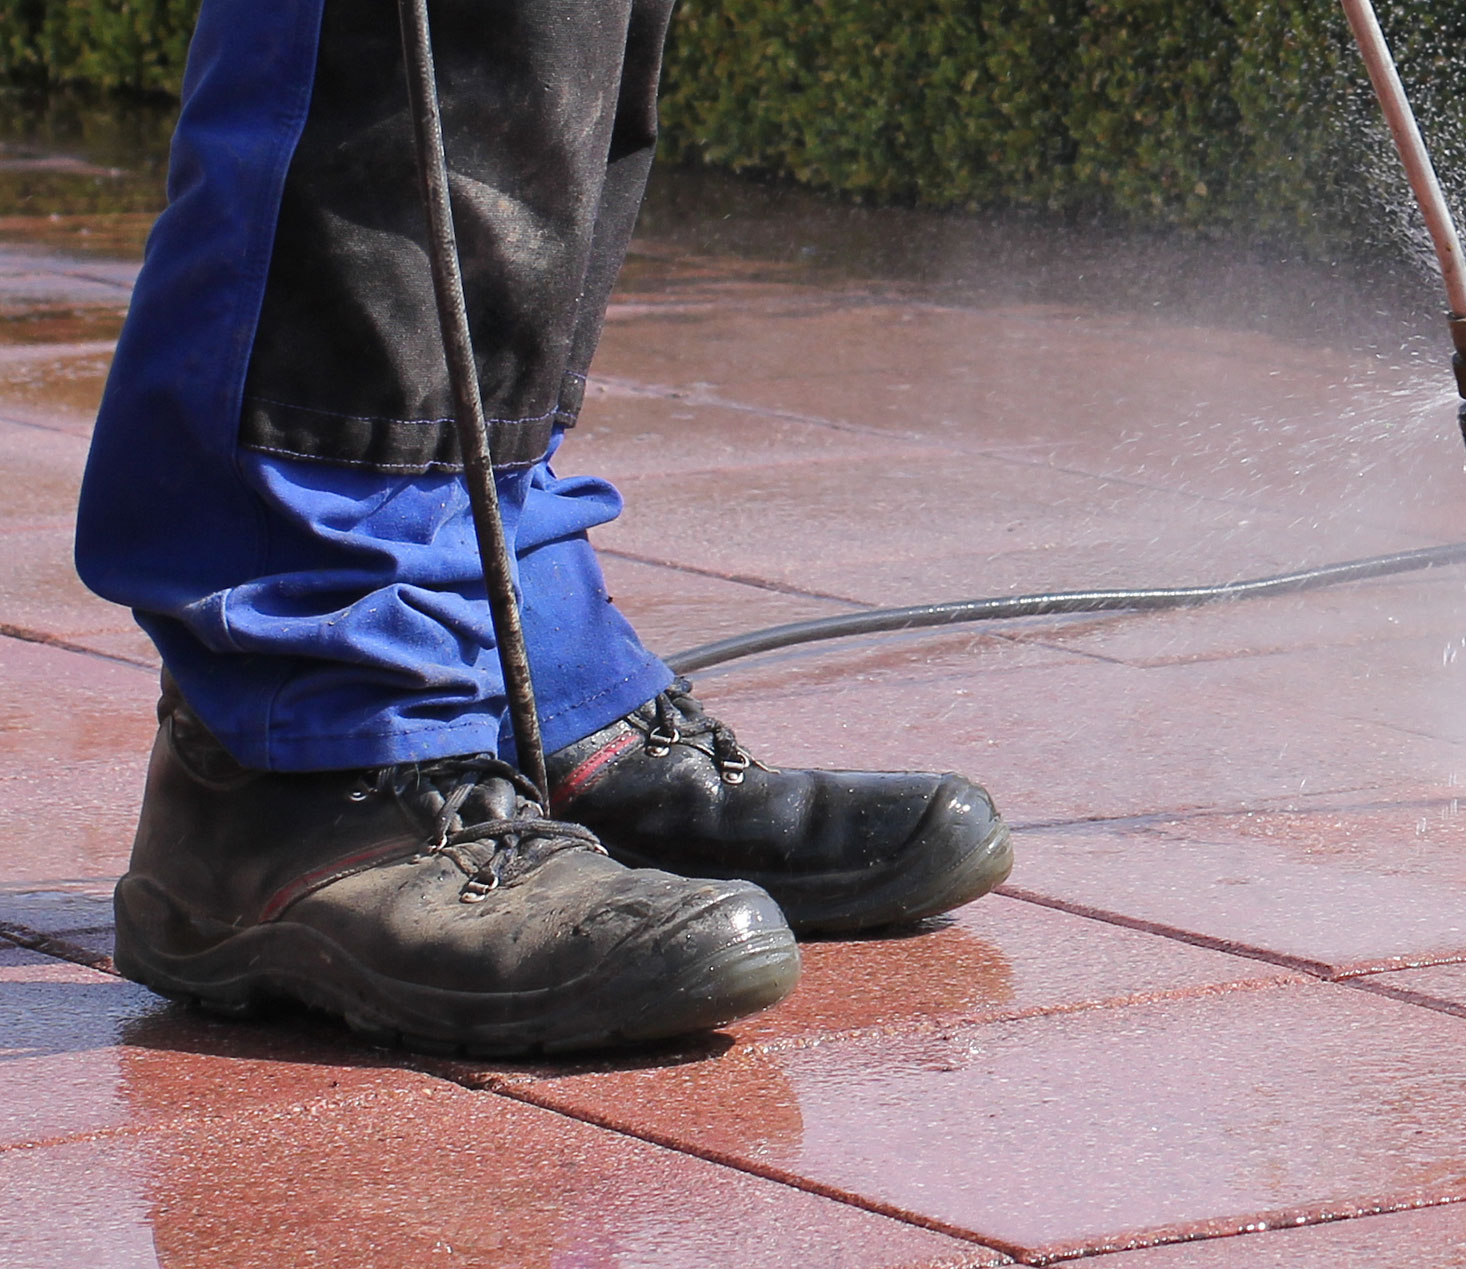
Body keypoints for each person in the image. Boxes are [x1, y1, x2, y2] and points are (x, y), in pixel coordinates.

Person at [76, 0, 1012, 1055]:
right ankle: (307, 738)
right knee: (417, 39)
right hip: (298, 721)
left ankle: (522, 675)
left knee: (558, 49)